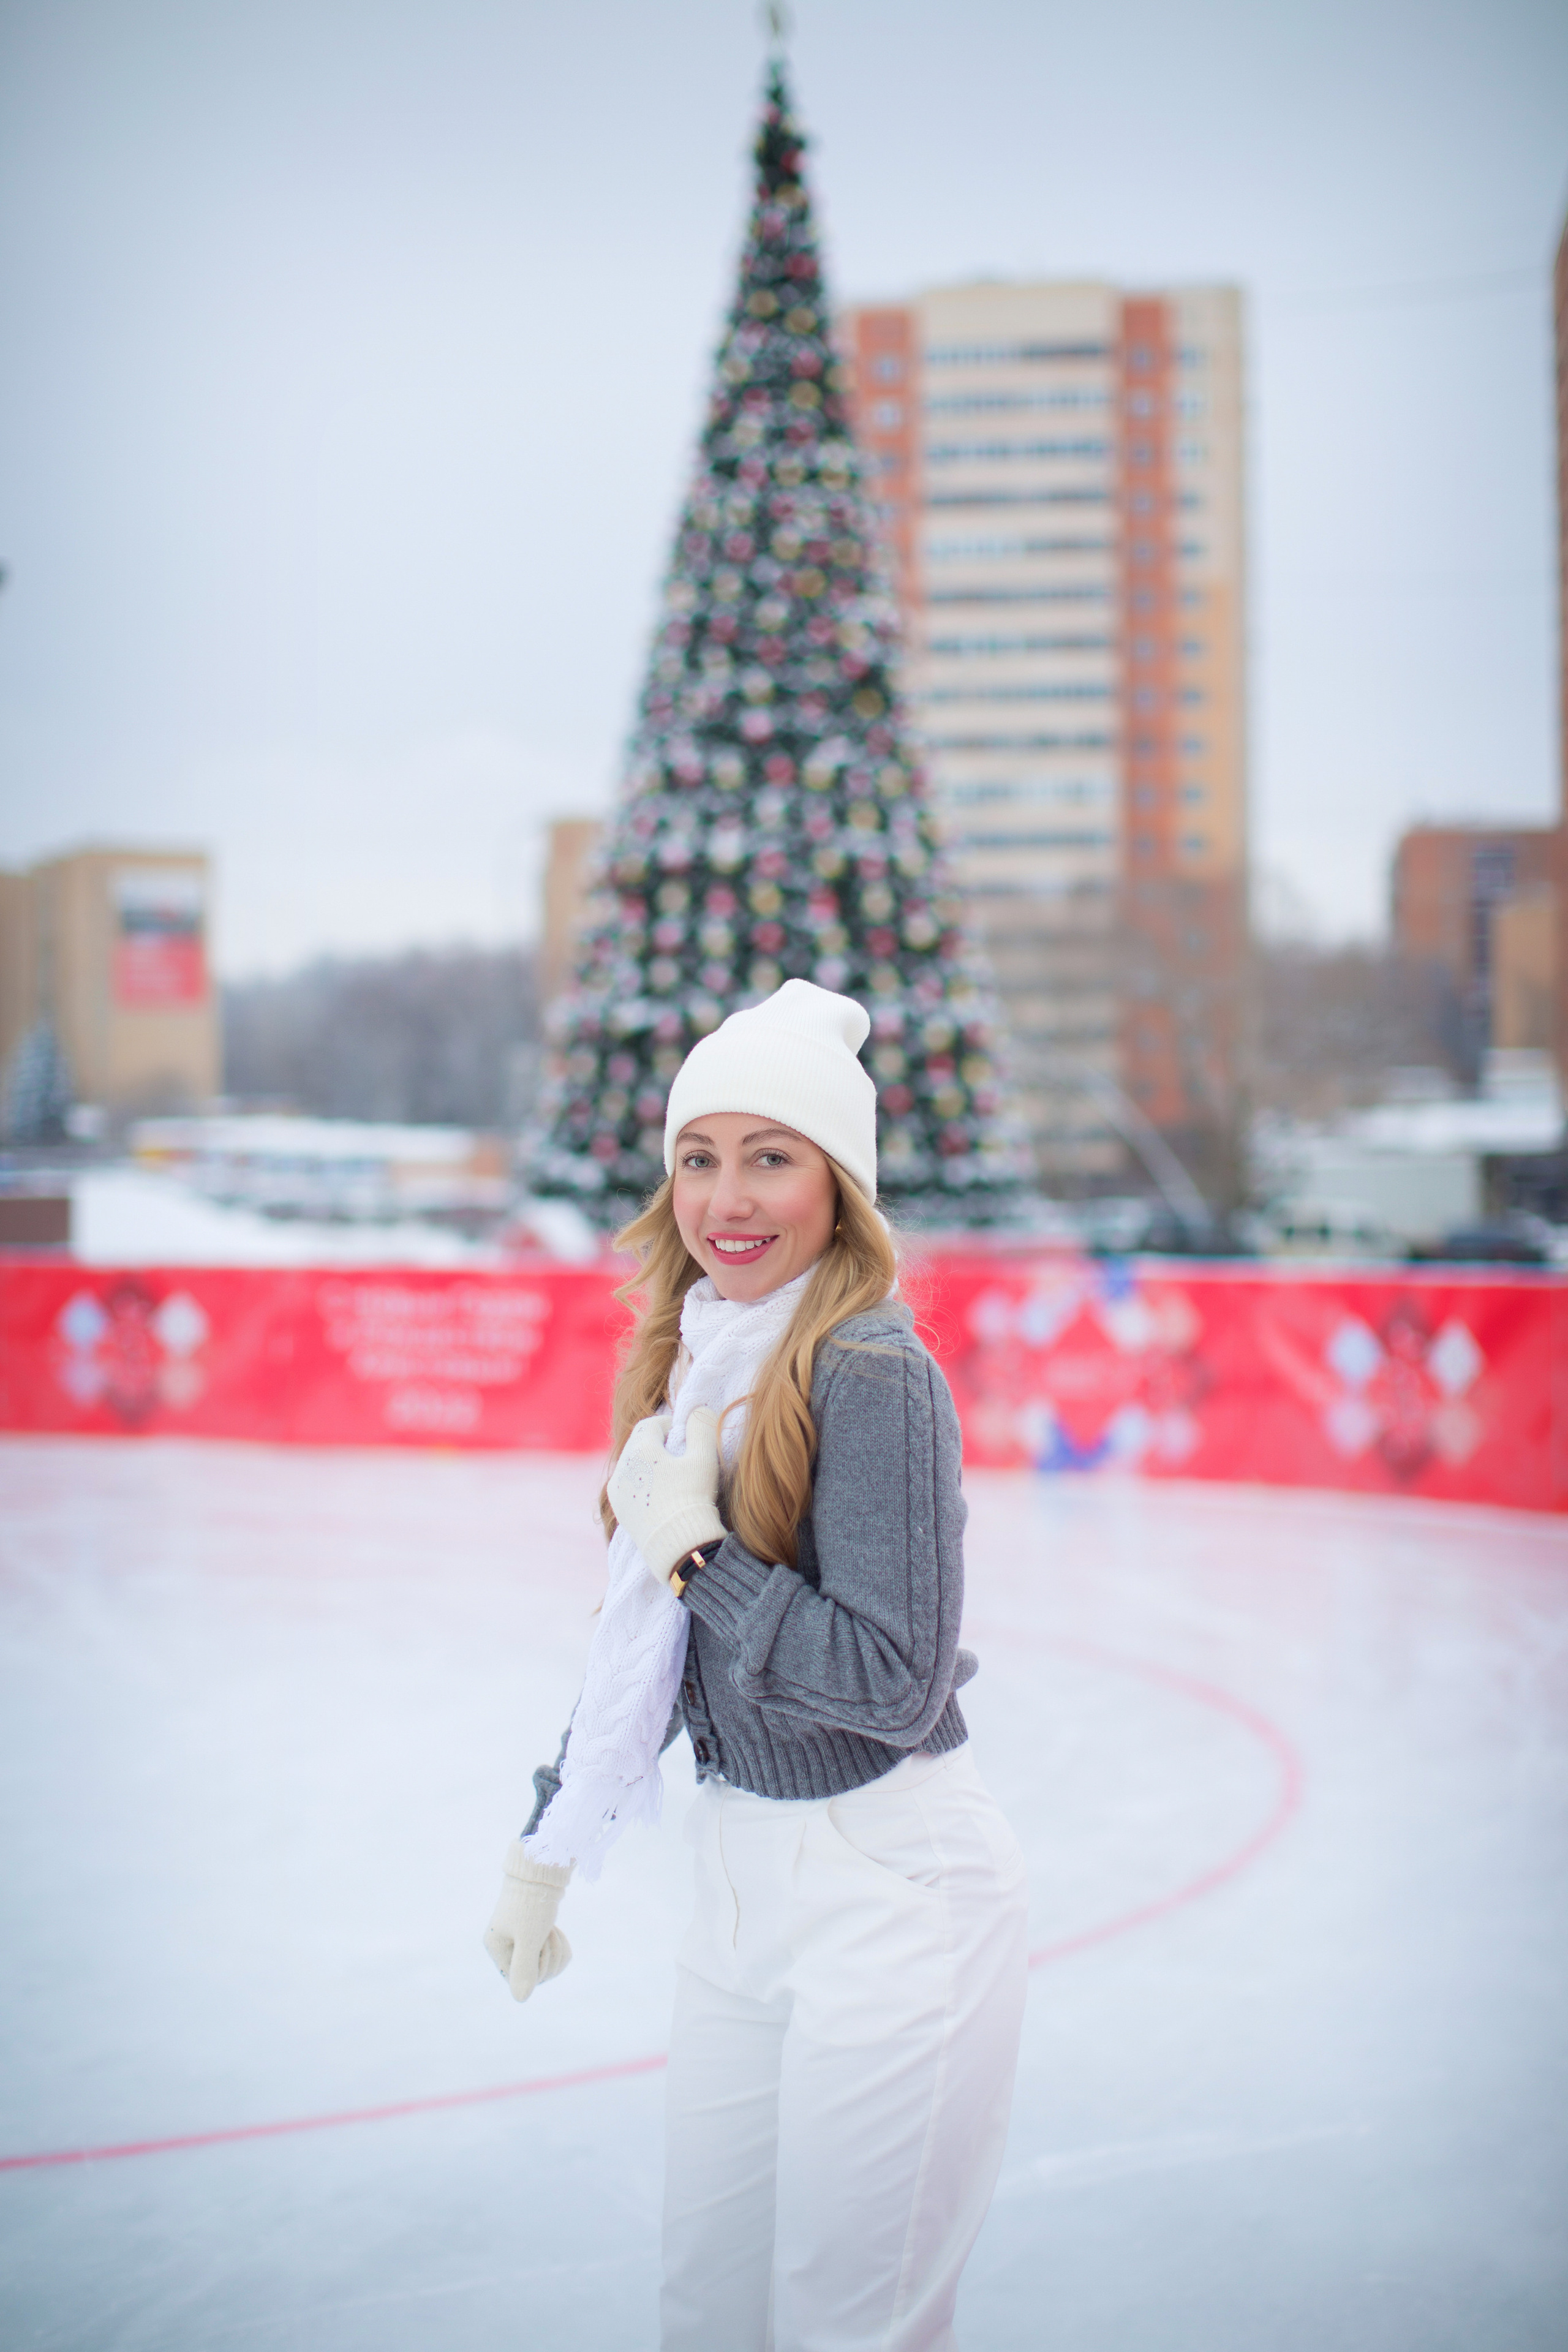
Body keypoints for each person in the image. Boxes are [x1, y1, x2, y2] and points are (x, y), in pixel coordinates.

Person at [484, 979, 1028, 2352]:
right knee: (706, 2310)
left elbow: (891, 1683)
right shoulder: (693, 1359)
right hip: (734, 1886)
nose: (726, 1199)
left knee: (849, 2324)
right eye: (697, 1157)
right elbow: (646, 1645)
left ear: (838, 1185)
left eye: (770, 1157)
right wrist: (549, 1842)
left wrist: (699, 1556)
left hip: (889, 1886)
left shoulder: (871, 1372)